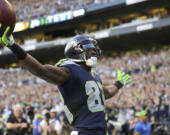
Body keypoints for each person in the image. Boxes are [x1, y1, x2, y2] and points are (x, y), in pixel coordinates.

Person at [0, 26, 131, 135]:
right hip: (83, 132)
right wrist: (13, 46)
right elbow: (42, 71)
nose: (94, 53)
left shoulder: (93, 74)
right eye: (90, 50)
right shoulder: (69, 70)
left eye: (94, 51)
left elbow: (106, 92)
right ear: (75, 52)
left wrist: (118, 84)